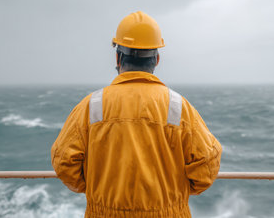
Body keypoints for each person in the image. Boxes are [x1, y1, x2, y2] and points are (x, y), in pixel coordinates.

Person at [51, 11, 222, 218]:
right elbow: (206, 168)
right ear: (157, 59)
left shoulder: (92, 105)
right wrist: (172, 196)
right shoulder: (178, 106)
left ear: (118, 56)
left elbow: (64, 163)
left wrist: (96, 188)